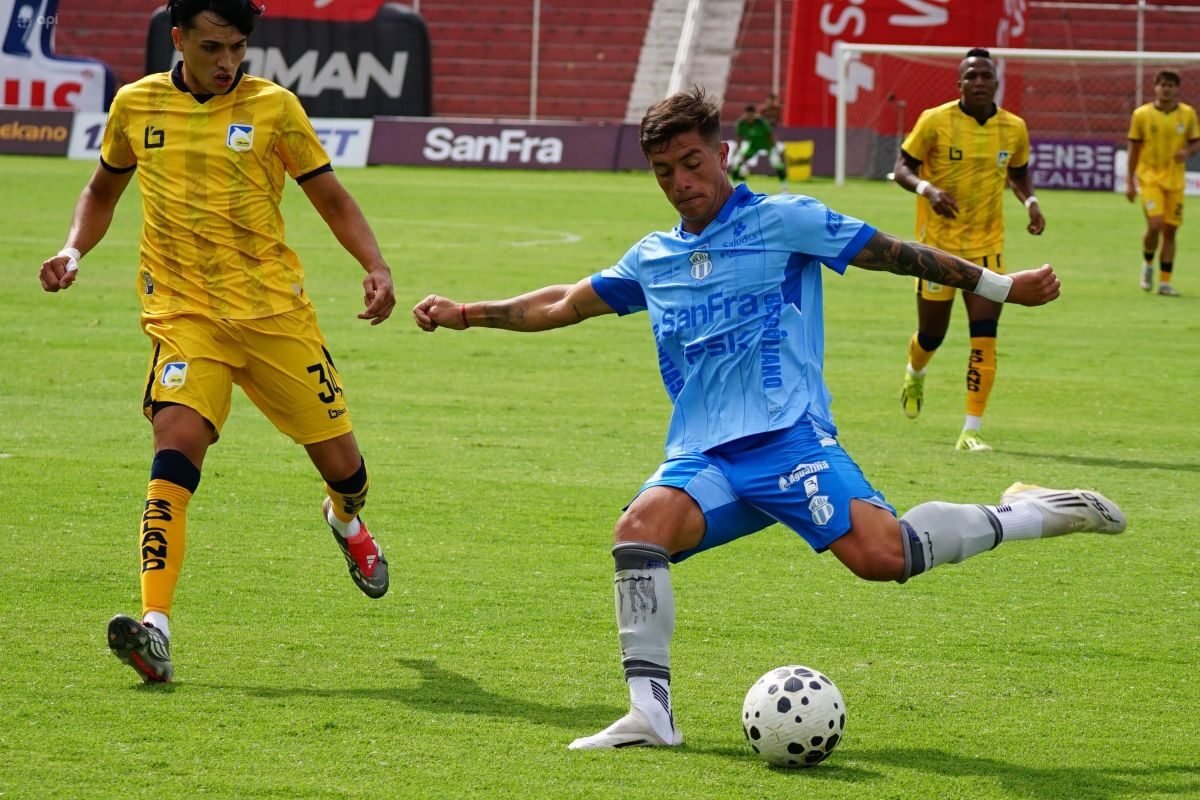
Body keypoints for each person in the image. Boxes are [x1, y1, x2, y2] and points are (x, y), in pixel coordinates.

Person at [411, 86, 1127, 750]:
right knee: (639, 528)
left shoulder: (785, 220)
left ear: (721, 154)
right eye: (665, 172)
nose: (681, 181)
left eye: (692, 163)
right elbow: (566, 301)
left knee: (885, 558)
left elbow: (897, 253)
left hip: (790, 439)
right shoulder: (654, 258)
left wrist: (1002, 287)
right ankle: (649, 712)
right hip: (704, 458)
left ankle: (1029, 511)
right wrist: (467, 314)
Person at [38, 0, 396, 684]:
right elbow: (101, 191)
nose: (226, 61)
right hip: (184, 317)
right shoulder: (136, 106)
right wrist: (74, 249)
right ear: (178, 39)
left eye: (236, 48)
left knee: (347, 470)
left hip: (274, 320)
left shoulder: (274, 108)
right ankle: (155, 629)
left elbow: (332, 199)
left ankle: (346, 522)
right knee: (174, 450)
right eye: (211, 47)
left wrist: (374, 266)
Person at [892, 48, 1045, 453]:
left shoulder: (1014, 127)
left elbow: (1019, 171)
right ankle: (915, 370)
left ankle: (971, 430)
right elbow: (902, 168)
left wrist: (1030, 202)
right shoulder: (935, 120)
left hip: (987, 247)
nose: (979, 82)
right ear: (959, 84)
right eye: (971, 76)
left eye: (985, 76)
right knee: (932, 334)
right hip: (937, 250)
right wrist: (928, 188)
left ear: (996, 83)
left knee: (985, 334)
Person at [1126, 69, 1200, 296]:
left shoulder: (1187, 114)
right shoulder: (1141, 115)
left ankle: (1165, 282)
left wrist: (1187, 152)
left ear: (1177, 89)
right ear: (1155, 87)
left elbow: (1196, 142)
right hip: (1149, 178)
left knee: (1171, 230)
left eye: (1171, 85)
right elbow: (1134, 149)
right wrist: (1130, 181)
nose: (1166, 89)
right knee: (1155, 224)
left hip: (1175, 180)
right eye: (1163, 85)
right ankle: (1147, 264)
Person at [727, 103, 787, 193]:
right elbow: (739, 139)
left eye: (751, 115)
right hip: (753, 146)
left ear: (755, 115)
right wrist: (737, 151)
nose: (749, 118)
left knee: (778, 164)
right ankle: (733, 187)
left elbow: (770, 136)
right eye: (748, 115)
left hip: (767, 145)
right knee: (737, 163)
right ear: (745, 114)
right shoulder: (741, 123)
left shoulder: (761, 122)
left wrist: (775, 149)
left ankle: (784, 188)